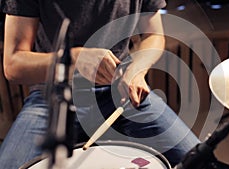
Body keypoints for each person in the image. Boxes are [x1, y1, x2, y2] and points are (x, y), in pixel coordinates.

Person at [0, 0, 200, 168]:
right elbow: (13, 64)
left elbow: (154, 35)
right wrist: (73, 60)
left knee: (200, 162)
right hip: (52, 97)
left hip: (121, 94)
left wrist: (137, 68)